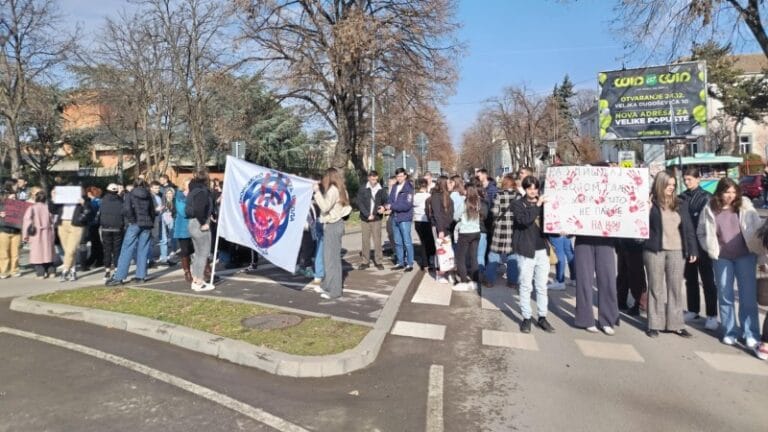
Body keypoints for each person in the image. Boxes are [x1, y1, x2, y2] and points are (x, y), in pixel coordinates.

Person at [697, 177, 762, 348]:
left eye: (734, 192)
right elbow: (701, 232)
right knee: (725, 295)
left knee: (748, 297)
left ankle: (751, 333)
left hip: (746, 256)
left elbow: (758, 229)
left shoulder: (745, 205)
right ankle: (730, 331)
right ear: (720, 192)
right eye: (727, 192)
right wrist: (710, 247)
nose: (731, 196)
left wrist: (762, 255)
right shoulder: (710, 207)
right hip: (722, 257)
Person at [643, 171, 698, 338]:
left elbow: (688, 228)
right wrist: (645, 210)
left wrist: (692, 249)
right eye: (668, 185)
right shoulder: (650, 203)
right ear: (660, 184)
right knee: (655, 287)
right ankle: (655, 324)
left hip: (677, 250)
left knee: (675, 288)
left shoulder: (681, 202)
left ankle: (675, 324)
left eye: (673, 185)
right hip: (654, 250)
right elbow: (640, 226)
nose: (671, 188)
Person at [511, 176, 555, 334]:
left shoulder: (544, 205)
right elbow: (524, 220)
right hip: (525, 250)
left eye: (535, 188)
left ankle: (542, 317)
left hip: (542, 250)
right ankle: (526, 318)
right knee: (525, 285)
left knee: (542, 286)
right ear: (525, 189)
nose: (533, 191)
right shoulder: (517, 204)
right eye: (530, 188)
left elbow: (551, 223)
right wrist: (537, 204)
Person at [679, 168, 718, 330]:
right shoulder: (681, 197)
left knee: (708, 281)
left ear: (698, 179)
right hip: (686, 244)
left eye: (689, 179)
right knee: (690, 279)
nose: (687, 182)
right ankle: (693, 309)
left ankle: (712, 314)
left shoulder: (706, 197)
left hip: (703, 244)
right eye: (685, 179)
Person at [106, 179, 156, 286]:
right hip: (147, 224)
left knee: (126, 249)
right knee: (143, 250)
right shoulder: (148, 195)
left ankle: (119, 277)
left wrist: (132, 220)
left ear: (134, 185)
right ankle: (141, 276)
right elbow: (152, 211)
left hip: (135, 224)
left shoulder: (130, 194)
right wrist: (150, 222)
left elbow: (126, 209)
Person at [313, 167, 350, 299]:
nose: (323, 179)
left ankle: (334, 291)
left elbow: (324, 206)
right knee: (329, 258)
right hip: (335, 225)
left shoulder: (333, 190)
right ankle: (327, 285)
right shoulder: (341, 189)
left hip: (333, 226)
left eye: (325, 177)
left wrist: (317, 192)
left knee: (332, 261)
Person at [573, 234, 619, 335]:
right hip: (583, 239)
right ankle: (586, 319)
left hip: (605, 239)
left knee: (608, 280)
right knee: (584, 280)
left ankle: (607, 320)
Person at [485, 173, 520, 289]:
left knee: (494, 254)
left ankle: (490, 280)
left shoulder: (499, 195)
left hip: (500, 229)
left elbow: (494, 211)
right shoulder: (518, 196)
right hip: (513, 229)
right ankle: (512, 282)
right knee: (512, 256)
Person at [54, 186, 91, 282]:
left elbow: (90, 212)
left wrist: (84, 204)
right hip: (62, 224)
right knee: (68, 250)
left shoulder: (84, 200)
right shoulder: (62, 199)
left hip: (76, 225)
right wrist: (53, 198)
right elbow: (52, 209)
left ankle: (65, 270)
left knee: (71, 250)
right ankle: (73, 271)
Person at [186, 170, 215, 292]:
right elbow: (199, 209)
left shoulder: (193, 190)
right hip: (199, 224)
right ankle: (198, 281)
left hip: (192, 223)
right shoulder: (202, 191)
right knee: (203, 253)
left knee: (198, 254)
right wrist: (204, 223)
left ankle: (196, 279)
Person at [453, 183, 486, 291]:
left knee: (460, 258)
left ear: (467, 191)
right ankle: (475, 281)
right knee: (474, 257)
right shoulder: (478, 203)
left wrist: (459, 221)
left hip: (465, 233)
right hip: (476, 232)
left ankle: (463, 281)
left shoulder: (465, 203)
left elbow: (455, 216)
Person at [356, 170, 388, 270]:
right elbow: (359, 203)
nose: (374, 181)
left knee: (377, 240)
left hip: (377, 218)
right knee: (365, 240)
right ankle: (365, 261)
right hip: (365, 219)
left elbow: (385, 201)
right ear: (368, 178)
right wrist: (367, 214)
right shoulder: (363, 188)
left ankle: (378, 261)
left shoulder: (381, 189)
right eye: (372, 178)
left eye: (375, 179)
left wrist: (383, 208)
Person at [22, 190, 56, 278]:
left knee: (37, 253)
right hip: (47, 232)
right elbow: (53, 221)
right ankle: (51, 271)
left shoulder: (32, 208)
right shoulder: (48, 207)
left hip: (36, 233)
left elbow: (27, 222)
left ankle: (41, 273)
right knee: (48, 252)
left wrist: (25, 236)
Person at [387, 168, 415, 272]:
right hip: (395, 217)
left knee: (407, 241)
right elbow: (389, 200)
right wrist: (386, 206)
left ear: (405, 176)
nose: (399, 178)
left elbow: (406, 205)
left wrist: (392, 206)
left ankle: (409, 263)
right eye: (397, 176)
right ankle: (400, 262)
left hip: (404, 218)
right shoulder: (394, 187)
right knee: (398, 241)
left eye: (401, 176)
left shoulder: (409, 188)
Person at [428, 176, 454, 284]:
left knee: (447, 251)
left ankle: (447, 271)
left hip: (447, 227)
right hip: (440, 227)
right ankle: (439, 273)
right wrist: (441, 229)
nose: (450, 184)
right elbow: (437, 214)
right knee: (440, 251)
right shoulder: (435, 196)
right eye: (448, 182)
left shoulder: (447, 195)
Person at [98, 184, 124, 281]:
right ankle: (117, 269)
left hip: (105, 228)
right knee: (117, 249)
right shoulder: (120, 201)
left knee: (107, 250)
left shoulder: (103, 201)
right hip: (117, 228)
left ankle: (107, 271)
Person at [616, 238, 647, 316]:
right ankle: (621, 301)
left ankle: (640, 304)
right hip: (622, 239)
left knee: (636, 274)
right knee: (622, 272)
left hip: (637, 241)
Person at [0, 181, 22, 278]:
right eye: (12, 197)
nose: (14, 199)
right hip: (4, 231)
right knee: (4, 252)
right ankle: (4, 271)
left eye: (15, 197)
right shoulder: (1, 205)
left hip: (16, 231)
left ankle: (15, 270)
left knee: (15, 252)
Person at [173, 179, 194, 283]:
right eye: (188, 184)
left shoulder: (195, 195)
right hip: (183, 227)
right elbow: (183, 212)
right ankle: (187, 272)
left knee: (198, 249)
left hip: (195, 227)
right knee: (185, 250)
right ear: (184, 185)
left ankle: (205, 270)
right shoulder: (180, 196)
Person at [413, 178, 436, 271]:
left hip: (417, 221)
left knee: (422, 242)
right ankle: (430, 260)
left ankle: (424, 263)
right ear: (426, 186)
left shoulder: (415, 197)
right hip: (427, 220)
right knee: (430, 241)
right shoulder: (429, 196)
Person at [82, 186, 104, 271]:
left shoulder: (93, 202)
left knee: (95, 243)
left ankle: (95, 259)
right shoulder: (99, 201)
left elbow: (91, 212)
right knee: (97, 242)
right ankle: (98, 259)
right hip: (97, 223)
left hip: (92, 223)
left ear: (89, 193)